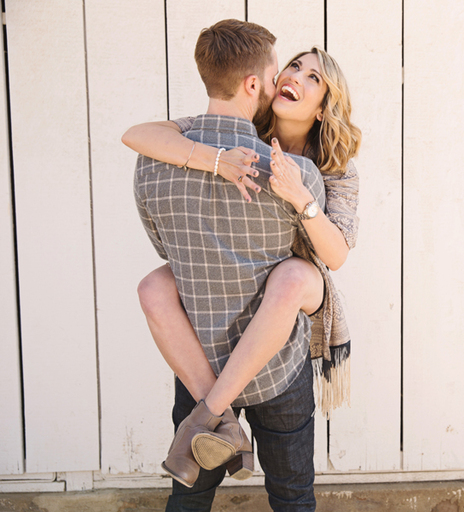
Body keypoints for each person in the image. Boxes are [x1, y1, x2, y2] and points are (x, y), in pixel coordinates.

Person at [132, 19, 357, 511]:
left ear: (323, 109)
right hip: (241, 325)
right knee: (154, 285)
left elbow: (336, 256)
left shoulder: (327, 168)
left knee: (295, 273)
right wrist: (210, 160)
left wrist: (301, 198)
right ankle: (223, 422)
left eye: (313, 77)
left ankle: (207, 413)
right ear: (261, 84)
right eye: (293, 66)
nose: (295, 75)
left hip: (301, 293)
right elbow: (138, 135)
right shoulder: (236, 140)